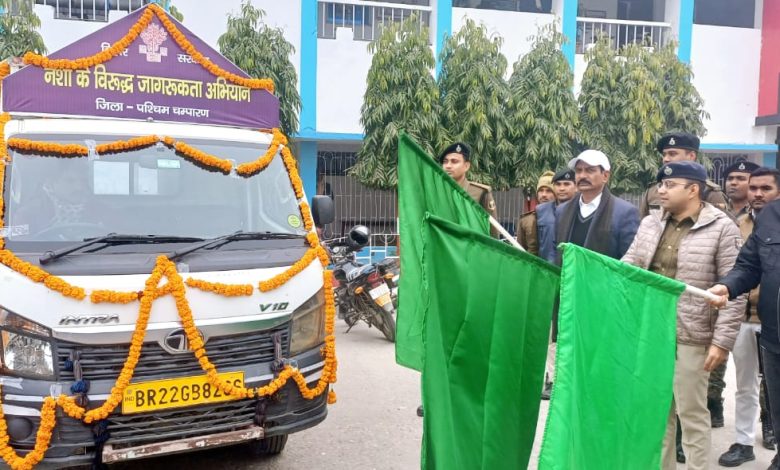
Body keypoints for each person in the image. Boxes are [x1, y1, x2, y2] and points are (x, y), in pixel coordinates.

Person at [622, 161, 745, 470]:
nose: (661, 191)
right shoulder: (650, 223)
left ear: (693, 189)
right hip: (651, 331)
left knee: (691, 413)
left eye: (669, 185)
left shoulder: (722, 227)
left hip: (692, 334)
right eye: (660, 185)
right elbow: (630, 267)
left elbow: (734, 290)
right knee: (657, 413)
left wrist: (721, 342)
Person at [710, 170, 780, 470]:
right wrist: (727, 286)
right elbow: (748, 265)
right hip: (767, 330)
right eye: (754, 188)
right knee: (765, 394)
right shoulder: (766, 218)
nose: (758, 193)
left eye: (766, 188)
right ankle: (752, 444)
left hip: (766, 323)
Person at [555, 149, 639, 261]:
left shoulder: (624, 213)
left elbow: (628, 260)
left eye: (590, 170)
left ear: (605, 176)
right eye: (578, 171)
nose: (582, 176)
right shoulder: (562, 210)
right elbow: (556, 250)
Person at [639, 132, 729, 218]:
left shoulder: (709, 192)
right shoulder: (654, 191)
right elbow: (642, 224)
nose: (665, 159)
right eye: (664, 154)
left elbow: (722, 225)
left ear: (691, 156)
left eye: (672, 154)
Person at [439, 142, 499, 237]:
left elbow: (493, 231)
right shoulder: (437, 190)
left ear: (466, 166)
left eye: (454, 161)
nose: (448, 166)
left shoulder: (479, 193)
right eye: (445, 162)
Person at [517, 171, 555, 255]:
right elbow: (519, 251)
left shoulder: (563, 217)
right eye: (541, 190)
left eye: (549, 191)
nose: (544, 195)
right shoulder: (526, 220)